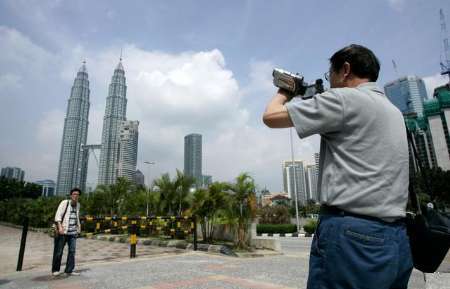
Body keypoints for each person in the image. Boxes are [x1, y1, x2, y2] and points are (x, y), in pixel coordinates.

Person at [263, 44, 413, 289]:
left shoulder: (343, 99)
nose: (329, 82)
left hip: (353, 238)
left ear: (345, 69)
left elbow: (270, 116)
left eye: (329, 75)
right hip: (396, 237)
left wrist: (285, 90)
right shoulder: (393, 111)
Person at [51, 187, 81, 276]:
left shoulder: (78, 204)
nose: (76, 196)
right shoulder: (65, 203)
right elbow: (58, 215)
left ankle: (69, 270)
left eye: (77, 195)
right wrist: (60, 227)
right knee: (59, 251)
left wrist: (79, 227)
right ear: (71, 195)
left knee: (72, 251)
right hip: (63, 231)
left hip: (73, 232)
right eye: (74, 194)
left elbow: (76, 217)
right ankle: (55, 270)